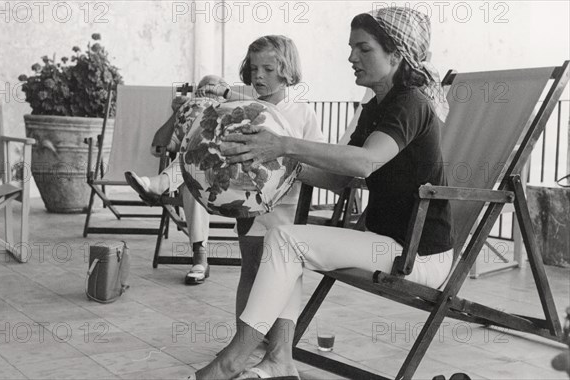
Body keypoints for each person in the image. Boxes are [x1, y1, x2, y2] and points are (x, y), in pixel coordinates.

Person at [191, 7, 453, 380]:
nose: (351, 58)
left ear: (396, 54)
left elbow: (364, 163)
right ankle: (278, 360)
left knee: (285, 239)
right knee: (283, 241)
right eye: (351, 48)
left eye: (363, 49)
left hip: (418, 254)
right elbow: (338, 180)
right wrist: (266, 168)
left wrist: (284, 144)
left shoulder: (410, 102)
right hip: (383, 241)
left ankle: (231, 362)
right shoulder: (376, 106)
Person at [126, 36, 324, 292]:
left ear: (286, 71)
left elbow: (316, 155)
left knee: (284, 276)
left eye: (268, 69)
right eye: (253, 69)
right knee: (250, 271)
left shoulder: (302, 113)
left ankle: (275, 331)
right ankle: (247, 328)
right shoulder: (244, 108)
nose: (258, 76)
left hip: (286, 207)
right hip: (247, 203)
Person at [126, 74, 233, 285]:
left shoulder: (232, 114)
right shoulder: (188, 117)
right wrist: (177, 114)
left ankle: (159, 184)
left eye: (215, 88)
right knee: (191, 181)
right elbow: (157, 148)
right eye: (204, 88)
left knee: (196, 162)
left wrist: (224, 104)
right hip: (196, 178)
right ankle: (200, 259)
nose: (208, 91)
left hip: (225, 177)